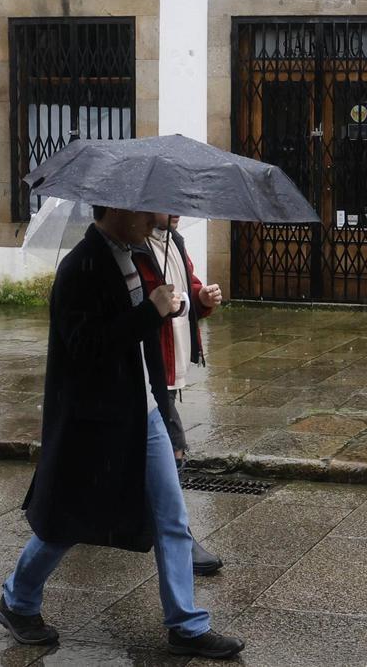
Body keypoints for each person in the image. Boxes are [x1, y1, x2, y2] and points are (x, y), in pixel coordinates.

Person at [0, 206, 244, 660]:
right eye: (144, 210)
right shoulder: (79, 269)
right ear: (114, 209)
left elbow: (149, 333)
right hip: (94, 417)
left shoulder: (140, 255)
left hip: (142, 409)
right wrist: (149, 312)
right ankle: (18, 600)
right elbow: (85, 347)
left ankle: (185, 624)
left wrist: (181, 318)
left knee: (171, 516)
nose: (154, 218)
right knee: (68, 518)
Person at [135, 213, 224, 575]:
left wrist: (203, 297)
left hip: (172, 366)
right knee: (173, 451)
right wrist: (157, 308)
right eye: (167, 201)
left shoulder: (177, 242)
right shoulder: (138, 250)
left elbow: (188, 292)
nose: (176, 210)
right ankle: (178, 538)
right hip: (151, 370)